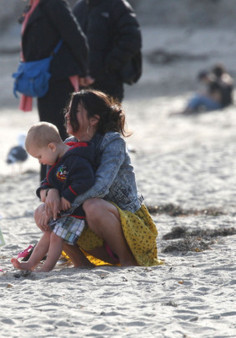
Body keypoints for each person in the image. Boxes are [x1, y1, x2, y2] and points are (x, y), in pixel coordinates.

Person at [35, 89, 160, 268]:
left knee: (92, 206)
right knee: (42, 210)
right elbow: (49, 180)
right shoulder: (68, 145)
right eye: (68, 111)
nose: (68, 116)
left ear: (94, 120)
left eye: (75, 111)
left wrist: (64, 202)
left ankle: (127, 260)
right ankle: (82, 264)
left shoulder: (112, 142)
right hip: (87, 222)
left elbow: (100, 187)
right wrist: (51, 193)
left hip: (127, 224)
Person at [18, 0, 89, 181]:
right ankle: (50, 186)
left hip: (58, 80)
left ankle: (56, 186)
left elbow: (77, 38)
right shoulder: (36, 5)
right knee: (50, 135)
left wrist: (83, 72)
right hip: (47, 81)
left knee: (56, 138)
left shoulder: (53, 3)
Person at [11, 122, 95, 272]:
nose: (40, 161)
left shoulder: (76, 159)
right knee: (47, 234)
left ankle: (47, 267)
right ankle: (30, 264)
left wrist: (67, 197)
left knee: (56, 237)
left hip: (76, 213)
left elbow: (86, 180)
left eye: (39, 156)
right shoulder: (55, 162)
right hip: (64, 213)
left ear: (51, 147)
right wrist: (47, 193)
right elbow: (47, 183)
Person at [73, 0, 142, 102]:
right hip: (82, 84)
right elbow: (71, 42)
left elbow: (132, 40)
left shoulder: (117, 5)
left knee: (108, 117)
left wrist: (108, 66)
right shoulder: (79, 8)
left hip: (109, 82)